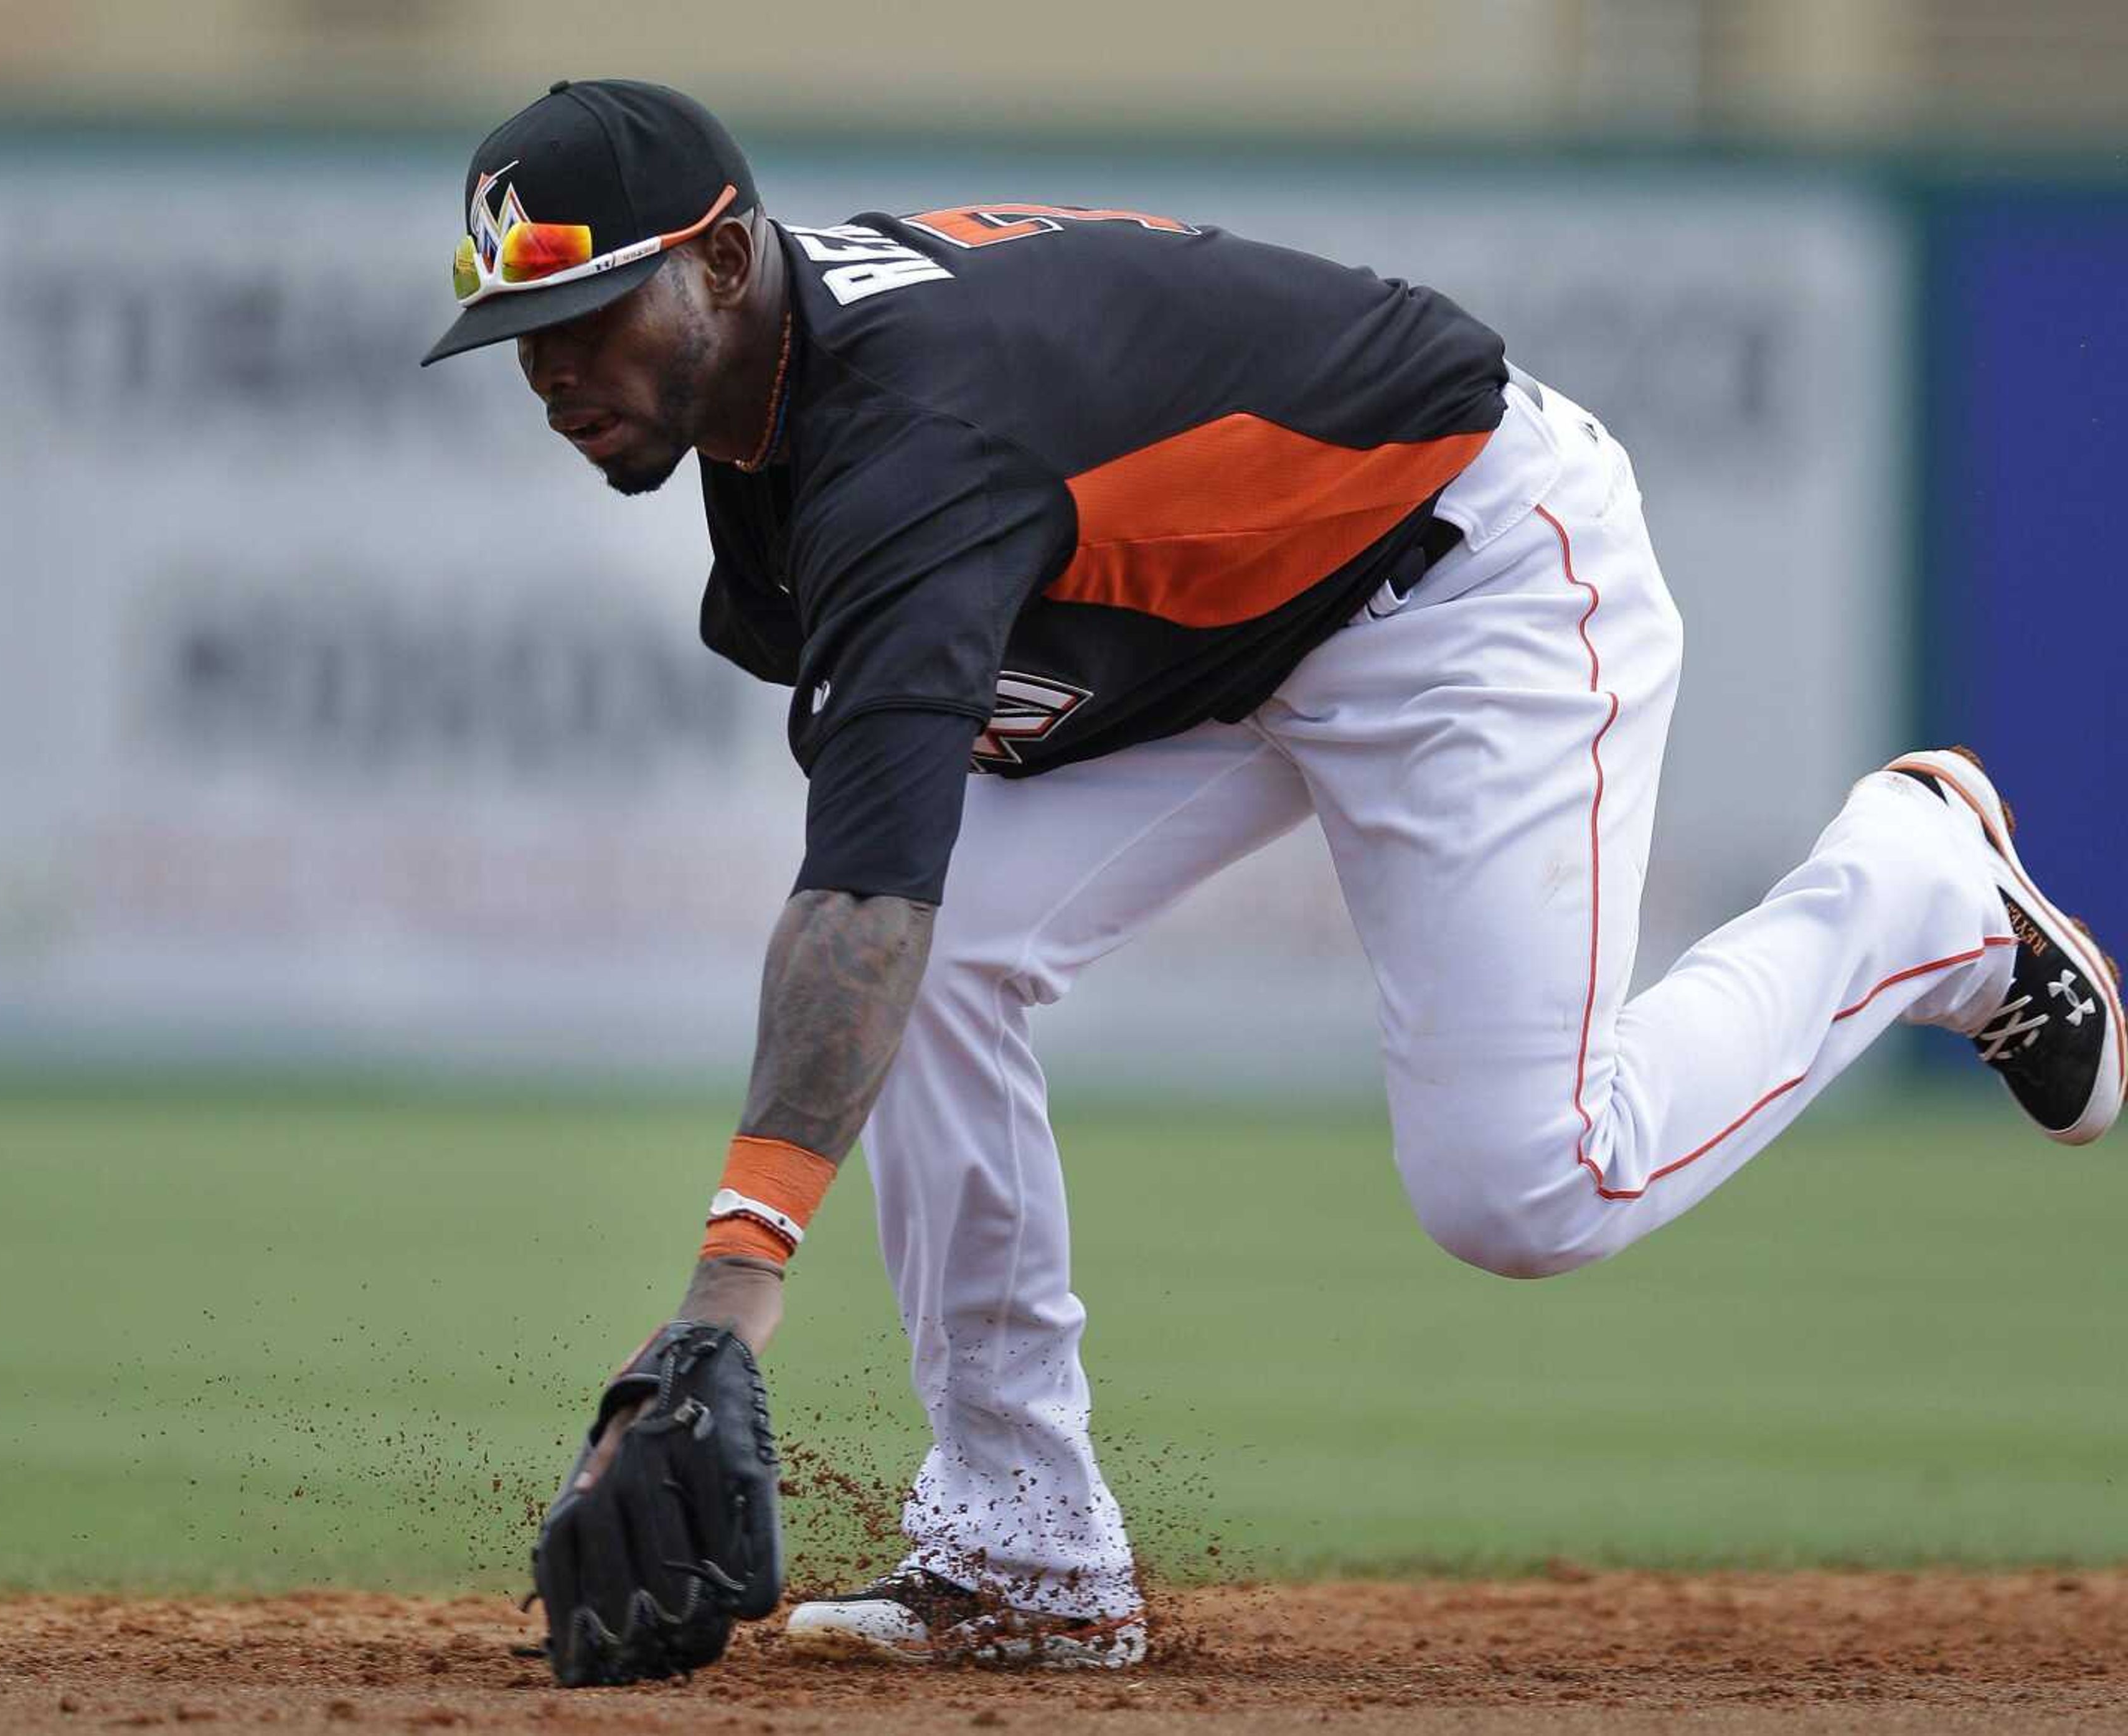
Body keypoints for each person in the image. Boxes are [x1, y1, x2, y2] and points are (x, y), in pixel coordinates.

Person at [425, 79, 2122, 1679]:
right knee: (933, 967)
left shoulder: (910, 440)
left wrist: (731, 1291)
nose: (552, 373)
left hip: (1462, 571)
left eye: (587, 319)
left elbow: (870, 880)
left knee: (1527, 1189)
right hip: (1226, 616)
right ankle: (1023, 1550)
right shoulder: (778, 402)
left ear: (723, 257)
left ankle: (1923, 893)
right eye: (520, 339)